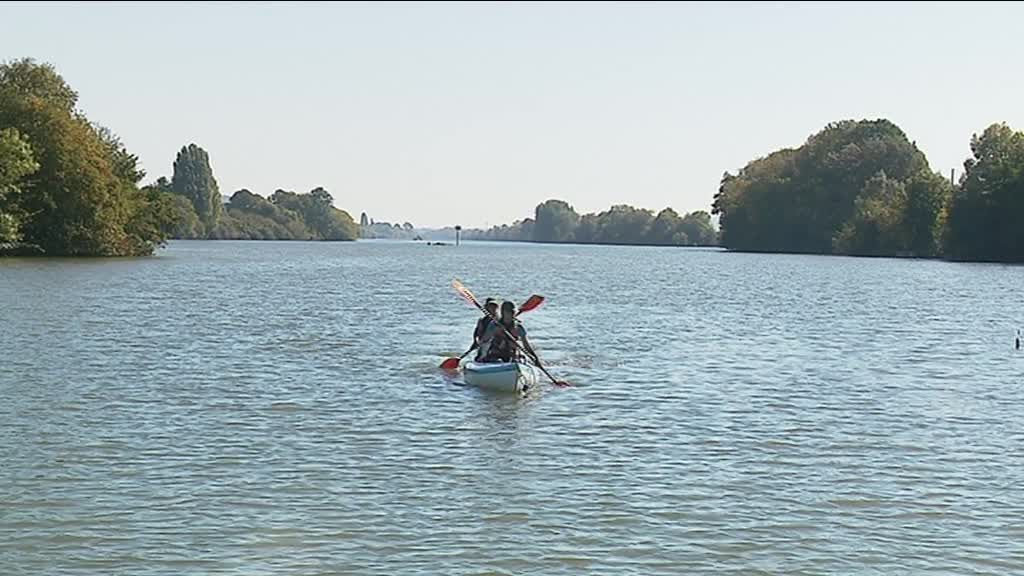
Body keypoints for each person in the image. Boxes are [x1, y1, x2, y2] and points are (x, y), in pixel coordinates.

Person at [481, 300, 540, 364]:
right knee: (496, 360)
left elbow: (526, 346)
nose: (511, 313)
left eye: (512, 311)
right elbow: (485, 340)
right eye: (508, 311)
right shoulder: (494, 325)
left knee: (515, 359)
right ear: (503, 312)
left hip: (512, 356)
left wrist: (535, 358)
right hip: (496, 354)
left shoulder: (518, 327)